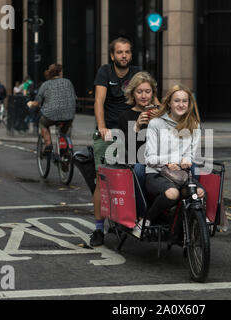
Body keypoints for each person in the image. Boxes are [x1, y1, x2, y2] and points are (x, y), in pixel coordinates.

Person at [89, 37, 143, 247]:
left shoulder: (137, 72)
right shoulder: (105, 72)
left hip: (133, 130)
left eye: (127, 52)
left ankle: (135, 219)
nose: (123, 56)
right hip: (110, 131)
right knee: (102, 180)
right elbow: (99, 101)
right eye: (119, 52)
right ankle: (98, 229)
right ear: (112, 56)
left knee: (141, 173)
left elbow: (151, 98)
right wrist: (102, 127)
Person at [141, 84, 205, 238]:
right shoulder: (156, 123)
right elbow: (149, 159)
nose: (181, 105)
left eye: (185, 101)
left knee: (200, 193)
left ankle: (182, 229)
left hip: (182, 175)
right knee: (172, 193)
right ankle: (148, 219)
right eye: (177, 101)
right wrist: (171, 160)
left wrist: (186, 160)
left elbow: (191, 155)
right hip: (156, 173)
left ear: (189, 104)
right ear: (169, 103)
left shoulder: (194, 125)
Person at [118, 71, 159, 220]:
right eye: (139, 92)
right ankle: (142, 215)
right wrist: (136, 127)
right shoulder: (125, 116)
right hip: (139, 160)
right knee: (139, 170)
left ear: (152, 93)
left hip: (161, 159)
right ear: (133, 94)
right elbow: (128, 149)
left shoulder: (161, 114)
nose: (143, 96)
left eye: (147, 92)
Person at [27, 64, 76, 154]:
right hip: (69, 115)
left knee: (42, 123)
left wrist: (30, 103)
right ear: (60, 72)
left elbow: (37, 102)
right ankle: (64, 151)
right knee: (63, 132)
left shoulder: (45, 85)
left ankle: (48, 144)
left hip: (50, 115)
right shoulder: (68, 82)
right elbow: (74, 98)